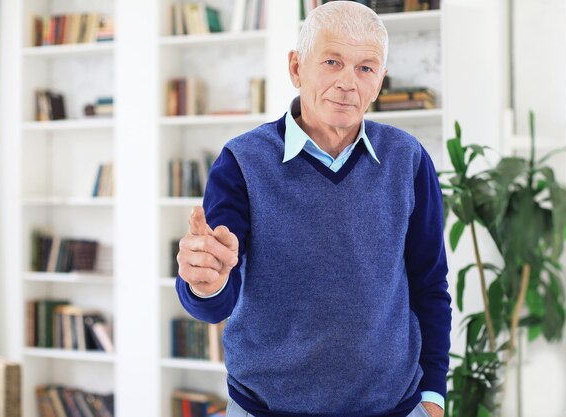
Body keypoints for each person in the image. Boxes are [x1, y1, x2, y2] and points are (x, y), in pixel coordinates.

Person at [175, 2, 451, 417]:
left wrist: (432, 397)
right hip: (265, 409)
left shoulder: (407, 159)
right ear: (296, 68)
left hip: (395, 407)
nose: (347, 83)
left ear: (380, 82)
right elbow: (215, 303)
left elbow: (430, 285)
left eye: (365, 68)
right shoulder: (242, 162)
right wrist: (205, 282)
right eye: (332, 61)